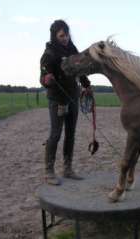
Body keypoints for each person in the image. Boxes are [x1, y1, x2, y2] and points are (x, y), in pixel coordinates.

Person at [39, 20, 90, 185]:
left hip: (73, 97)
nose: (65, 38)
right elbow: (42, 77)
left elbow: (79, 70)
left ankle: (67, 169)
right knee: (56, 134)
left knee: (70, 134)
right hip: (57, 100)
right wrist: (46, 80)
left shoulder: (72, 50)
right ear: (54, 36)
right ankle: (49, 172)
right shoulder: (49, 54)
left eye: (67, 34)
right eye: (61, 35)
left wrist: (87, 85)